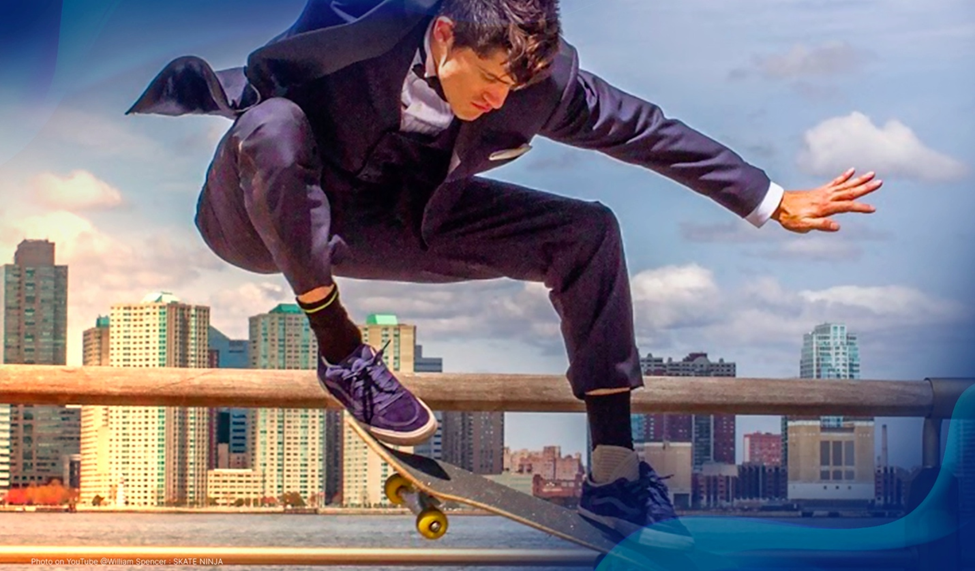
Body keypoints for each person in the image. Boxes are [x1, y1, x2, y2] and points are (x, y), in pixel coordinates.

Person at [128, 0, 881, 549]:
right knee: (273, 127)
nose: (498, 102)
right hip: (260, 208)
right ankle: (342, 352)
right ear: (445, 34)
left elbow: (647, 130)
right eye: (487, 82)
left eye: (513, 91)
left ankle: (615, 473)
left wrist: (773, 198)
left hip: (396, 220)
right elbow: (265, 104)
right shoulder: (360, 25)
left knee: (586, 232)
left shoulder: (539, 84)